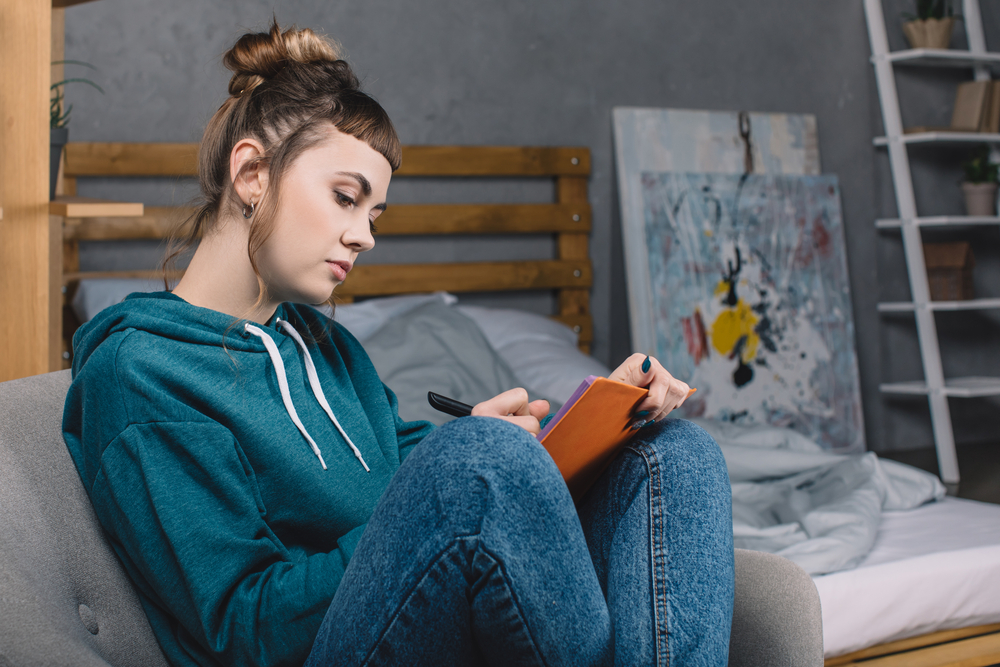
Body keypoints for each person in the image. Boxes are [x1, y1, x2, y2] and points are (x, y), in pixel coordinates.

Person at [62, 20, 734, 667]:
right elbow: (243, 630)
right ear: (251, 175)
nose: (365, 236)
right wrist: (466, 474)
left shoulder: (323, 343)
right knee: (479, 461)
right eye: (346, 198)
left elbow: (413, 467)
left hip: (427, 614)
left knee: (671, 450)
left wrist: (571, 429)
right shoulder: (144, 372)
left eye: (374, 213)